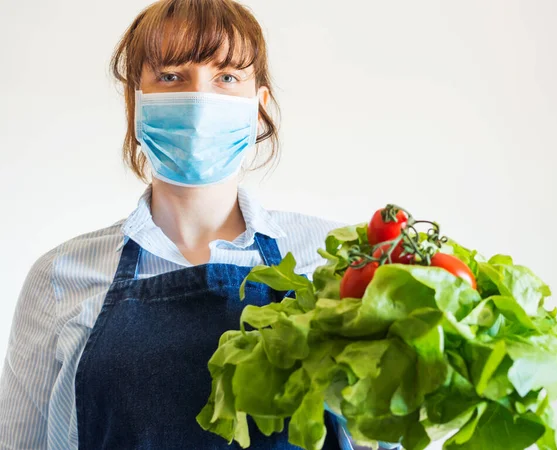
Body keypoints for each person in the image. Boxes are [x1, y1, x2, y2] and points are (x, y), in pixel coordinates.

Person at [0, 0, 352, 448]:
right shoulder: (58, 279)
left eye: (226, 77)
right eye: (171, 76)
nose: (201, 100)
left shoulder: (331, 260)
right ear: (136, 101)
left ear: (257, 106)